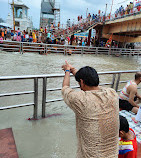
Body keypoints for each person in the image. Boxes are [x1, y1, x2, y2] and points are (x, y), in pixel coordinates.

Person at [61, 61, 119, 158]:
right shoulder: (112, 94)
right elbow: (95, 87)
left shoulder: (80, 100)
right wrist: (75, 71)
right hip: (112, 155)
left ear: (82, 82)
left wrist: (67, 70)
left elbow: (65, 88)